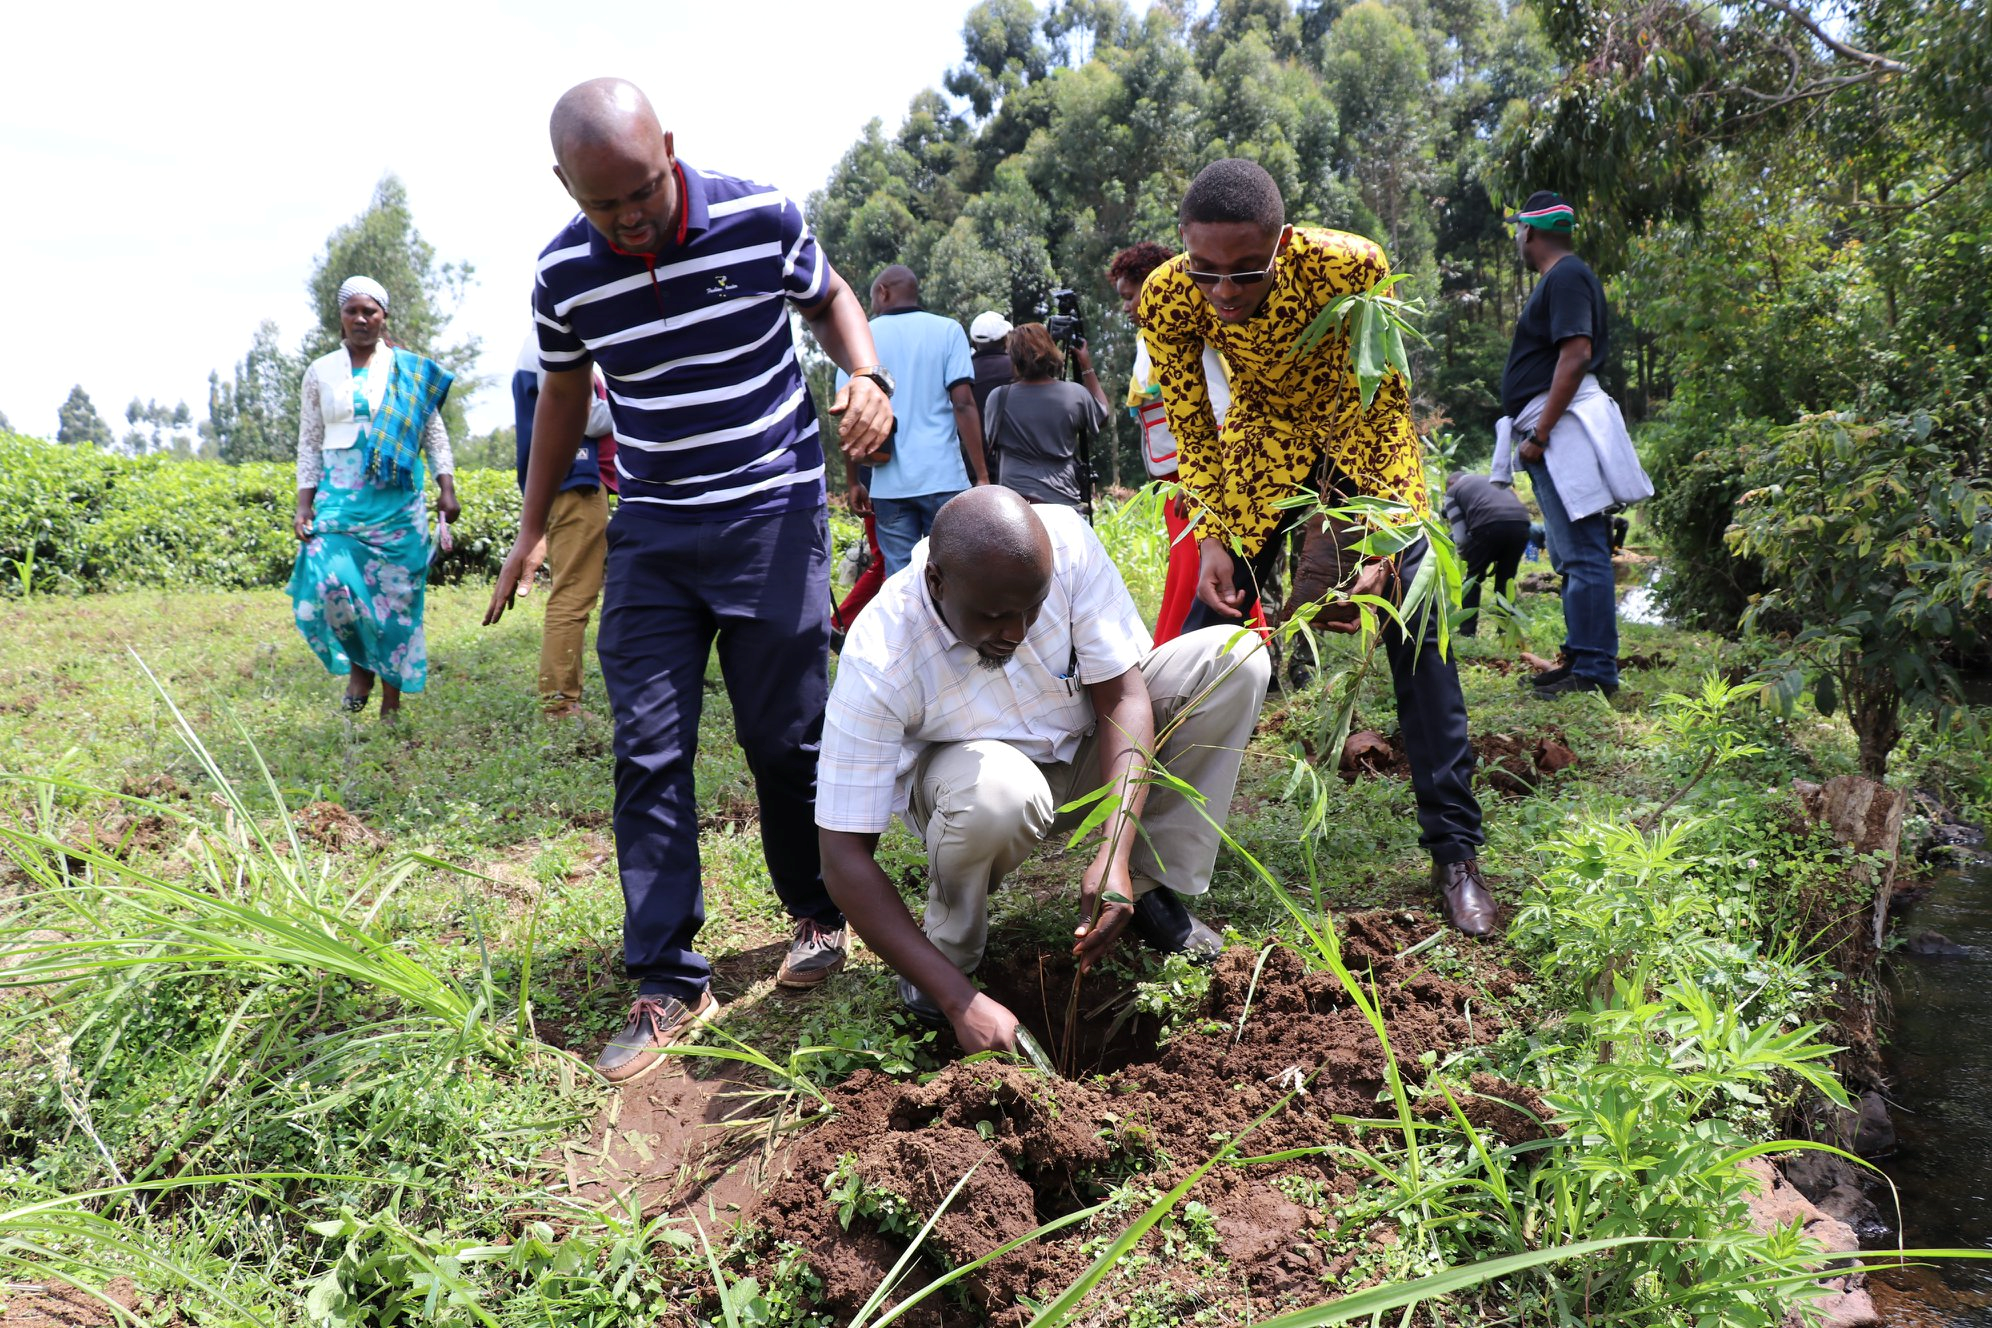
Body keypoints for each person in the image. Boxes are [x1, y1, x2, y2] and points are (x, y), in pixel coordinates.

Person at [483, 78, 895, 1086]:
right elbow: (563, 395)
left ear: (670, 149)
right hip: (656, 527)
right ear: (565, 186)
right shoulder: (563, 273)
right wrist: (531, 527)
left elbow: (831, 296)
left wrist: (866, 374)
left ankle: (817, 911)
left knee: (783, 733)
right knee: (647, 745)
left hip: (771, 511)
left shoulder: (761, 216)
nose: (630, 219)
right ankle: (668, 977)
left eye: (645, 192)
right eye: (604, 204)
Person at [1139, 158, 1495, 937]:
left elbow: (1384, 399)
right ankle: (1146, 868)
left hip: (1363, 443)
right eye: (1205, 269)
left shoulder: (1351, 265)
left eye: (1245, 270)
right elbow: (1193, 427)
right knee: (1205, 639)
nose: (1223, 291)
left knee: (1418, 624)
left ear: (1282, 241)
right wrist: (1214, 535)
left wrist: (1382, 543)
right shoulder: (1166, 294)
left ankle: (1456, 852)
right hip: (1261, 447)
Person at [816, 487, 1270, 1051]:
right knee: (997, 792)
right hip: (975, 791)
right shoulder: (880, 655)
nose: (1017, 631)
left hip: (1083, 756)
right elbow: (842, 857)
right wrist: (959, 1001)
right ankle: (947, 960)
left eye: (1032, 608)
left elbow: (1124, 698)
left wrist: (1114, 852)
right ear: (937, 582)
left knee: (1235, 658)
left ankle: (1144, 889)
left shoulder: (1066, 544)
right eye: (994, 616)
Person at [1492, 191, 1653, 699]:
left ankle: (1596, 672)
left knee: (1583, 553)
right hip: (1553, 428)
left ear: (1530, 232)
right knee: (1569, 555)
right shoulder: (1563, 277)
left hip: (1562, 429)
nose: (1517, 239)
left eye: (1518, 230)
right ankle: (1581, 658)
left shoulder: (1565, 276)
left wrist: (1541, 434)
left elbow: (1576, 353)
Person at [290, 276, 459, 723]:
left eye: (370, 311)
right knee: (328, 583)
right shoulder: (320, 371)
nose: (361, 319)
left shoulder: (407, 370)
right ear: (341, 317)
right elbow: (309, 441)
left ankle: (391, 703)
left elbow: (433, 433)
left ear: (384, 317)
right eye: (353, 311)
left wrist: (446, 487)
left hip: (397, 502)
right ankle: (360, 669)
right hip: (339, 498)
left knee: (396, 600)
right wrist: (304, 503)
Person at [1108, 241, 1245, 645]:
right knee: (1190, 568)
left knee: (1198, 569)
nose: (1126, 307)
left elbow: (1217, 402)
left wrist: (1204, 476)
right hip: (1176, 476)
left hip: (1198, 476)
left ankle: (1190, 653)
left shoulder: (1189, 324)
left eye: (1130, 295)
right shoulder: (1149, 337)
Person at [842, 266, 988, 575]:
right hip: (944, 477)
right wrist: (982, 474)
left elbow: (850, 414)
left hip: (889, 484)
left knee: (901, 578)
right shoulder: (948, 330)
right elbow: (963, 404)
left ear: (883, 292)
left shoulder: (860, 340)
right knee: (953, 573)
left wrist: (854, 480)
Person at [510, 332, 618, 719]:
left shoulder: (541, 346)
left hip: (567, 479)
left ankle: (560, 697)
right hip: (575, 479)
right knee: (574, 592)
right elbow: (585, 414)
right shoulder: (554, 345)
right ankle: (558, 703)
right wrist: (635, 401)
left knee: (571, 589)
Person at [982, 322, 1109, 509]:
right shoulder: (1075, 394)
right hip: (1063, 499)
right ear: (1050, 351)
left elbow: (991, 440)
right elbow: (1103, 415)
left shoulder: (999, 397)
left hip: (1016, 503)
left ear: (1014, 357)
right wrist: (1086, 366)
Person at [1443, 470, 1531, 637]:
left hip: (1488, 524)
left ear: (1450, 484)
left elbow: (1460, 538)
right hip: (1522, 523)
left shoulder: (1452, 492)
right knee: (1506, 580)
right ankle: (1506, 631)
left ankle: (1467, 632)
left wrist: (1466, 556)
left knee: (1473, 580)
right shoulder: (1489, 480)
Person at [967, 310, 1014, 480]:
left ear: (974, 342)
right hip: (1015, 467)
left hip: (974, 468)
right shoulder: (1018, 369)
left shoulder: (963, 373)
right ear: (1005, 339)